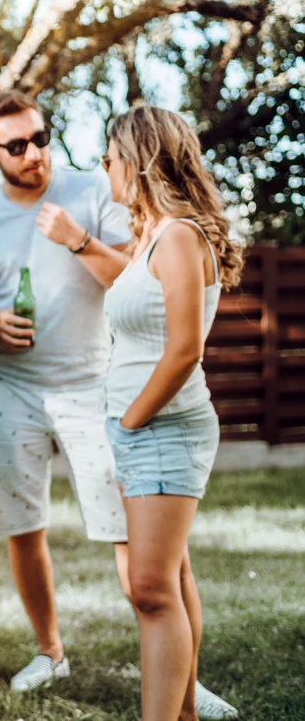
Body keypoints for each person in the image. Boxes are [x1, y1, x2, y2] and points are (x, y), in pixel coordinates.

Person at [0, 91, 238, 720]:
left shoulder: (102, 198)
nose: (35, 153)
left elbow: (146, 285)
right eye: (17, 145)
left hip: (99, 391)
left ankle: (186, 685)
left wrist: (77, 239)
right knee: (27, 526)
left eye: (42, 137)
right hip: (14, 386)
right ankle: (52, 652)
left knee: (145, 562)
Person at [102, 105, 244, 721]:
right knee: (170, 582)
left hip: (161, 427)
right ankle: (183, 714)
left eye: (109, 157)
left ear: (136, 161)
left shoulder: (180, 234)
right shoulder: (154, 234)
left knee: (151, 591)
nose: (104, 168)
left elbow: (185, 347)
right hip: (141, 428)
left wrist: (132, 421)